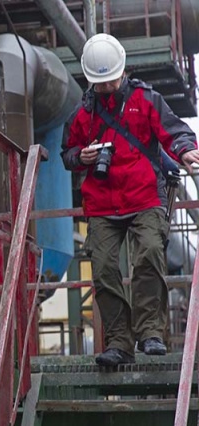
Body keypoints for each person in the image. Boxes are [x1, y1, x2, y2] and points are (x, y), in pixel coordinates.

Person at [61, 33, 199, 366]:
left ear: (122, 72)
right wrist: (83, 157)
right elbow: (67, 152)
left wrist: (187, 151)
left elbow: (174, 131)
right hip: (103, 203)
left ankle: (150, 333)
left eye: (111, 81)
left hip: (144, 196)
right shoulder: (83, 114)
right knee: (104, 268)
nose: (107, 87)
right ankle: (119, 343)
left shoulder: (146, 99)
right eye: (101, 83)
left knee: (150, 253)